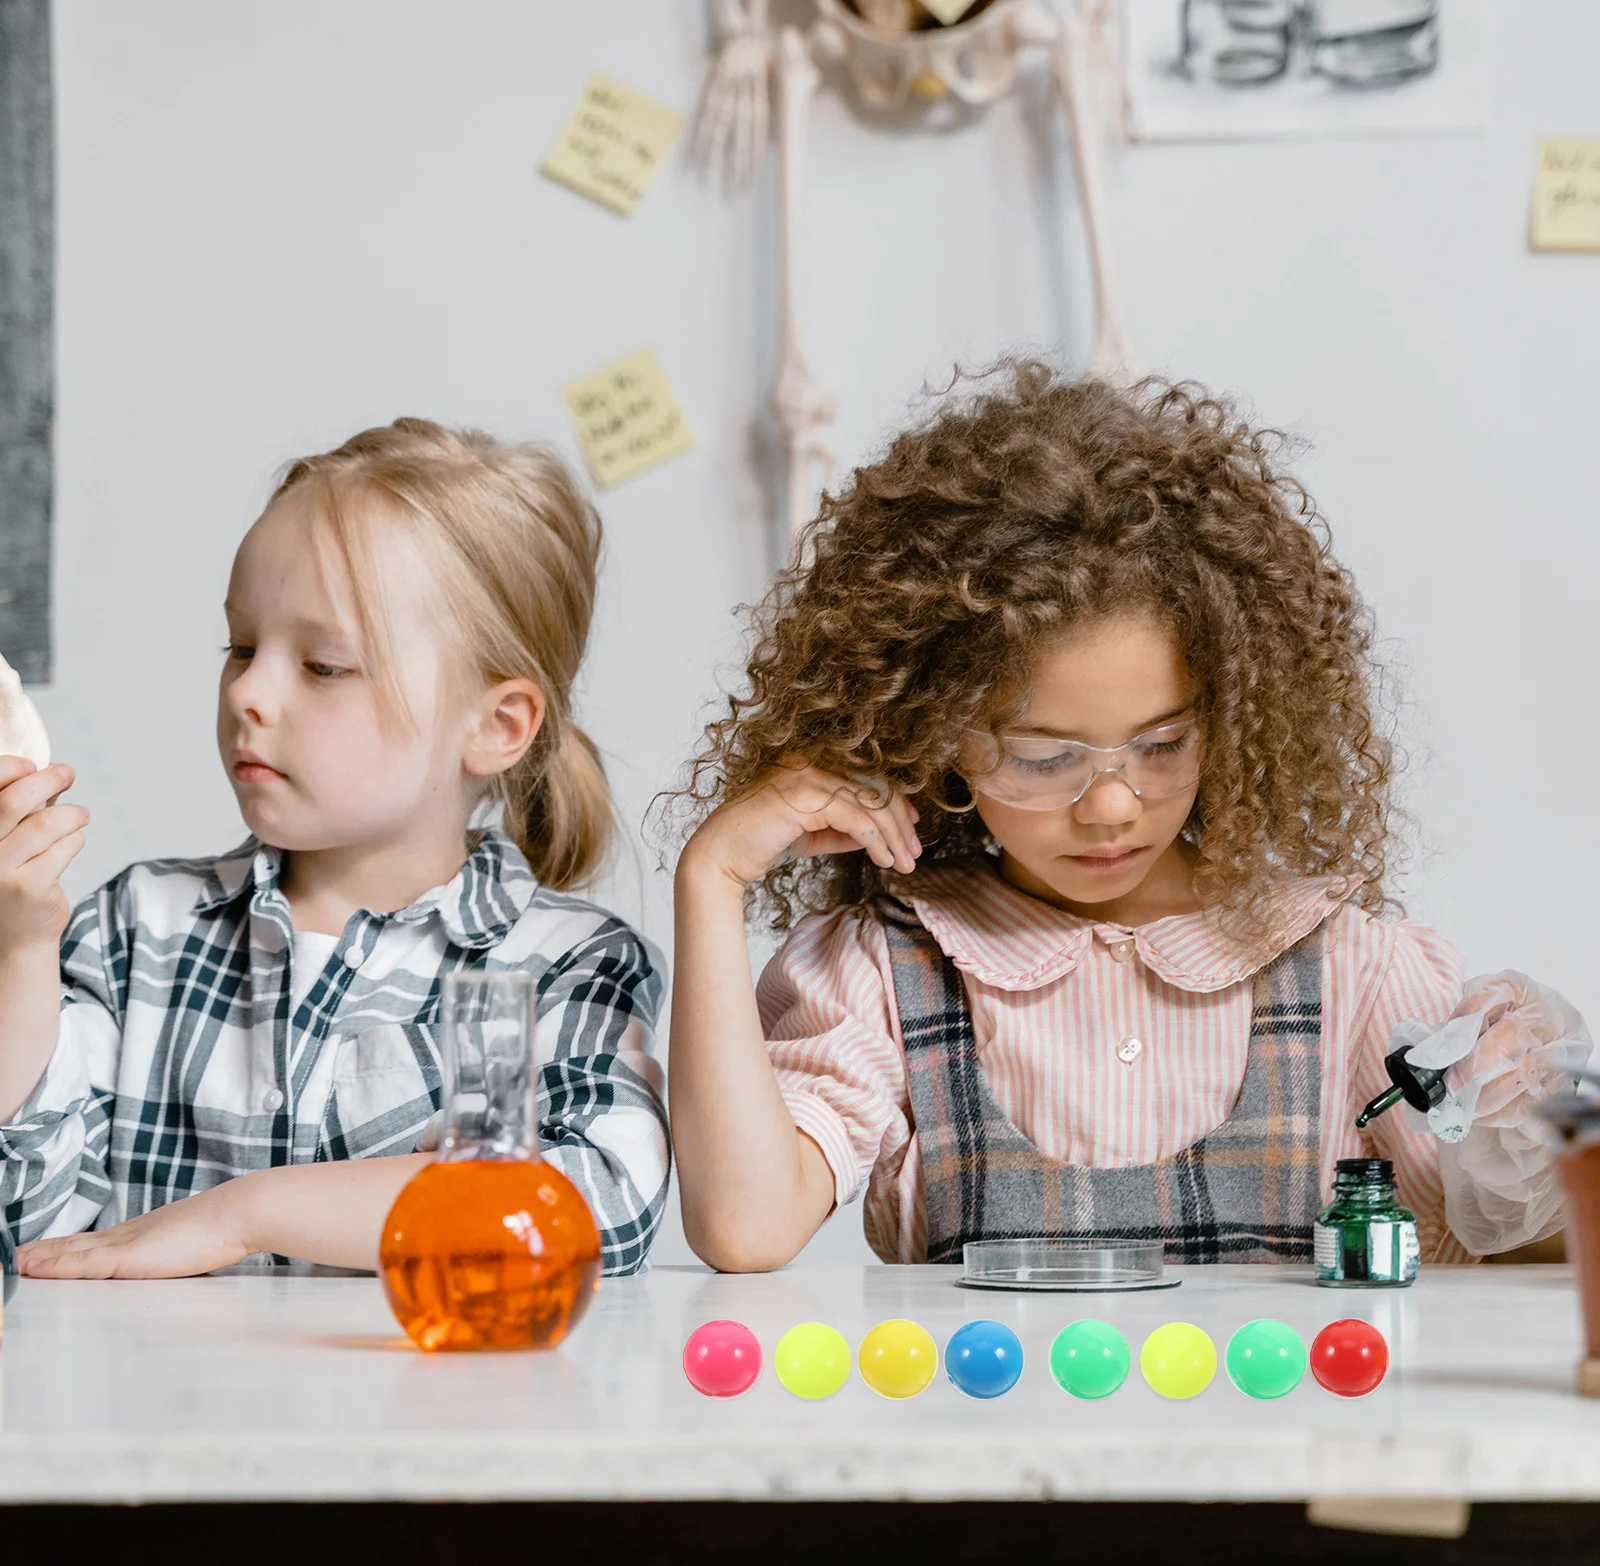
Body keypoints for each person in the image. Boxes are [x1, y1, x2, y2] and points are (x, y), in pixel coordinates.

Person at [669, 362, 1587, 1273]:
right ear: (935, 735)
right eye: (1042, 757)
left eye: (1160, 746)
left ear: (1228, 718)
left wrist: (1530, 1122)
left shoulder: (1349, 970)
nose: (1111, 806)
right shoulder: (883, 971)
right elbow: (746, 1229)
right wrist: (710, 880)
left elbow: (1521, 1254)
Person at [5, 419, 668, 1279]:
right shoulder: (136, 929)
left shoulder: (561, 968)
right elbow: (32, 1225)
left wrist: (248, 1212)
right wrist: (18, 950)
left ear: (496, 725)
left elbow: (594, 1206)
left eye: (322, 666)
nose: (248, 689)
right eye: (240, 647)